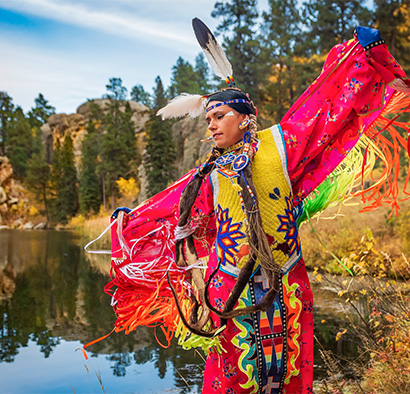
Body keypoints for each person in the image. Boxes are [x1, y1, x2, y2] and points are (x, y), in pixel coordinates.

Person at [99, 23, 410, 394]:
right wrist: (128, 224)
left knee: (293, 375)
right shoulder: (208, 175)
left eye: (219, 117)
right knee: (230, 380)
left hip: (287, 285)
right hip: (228, 289)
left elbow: (323, 110)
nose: (211, 126)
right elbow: (170, 214)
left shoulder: (281, 145)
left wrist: (360, 60)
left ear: (245, 117)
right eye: (208, 119)